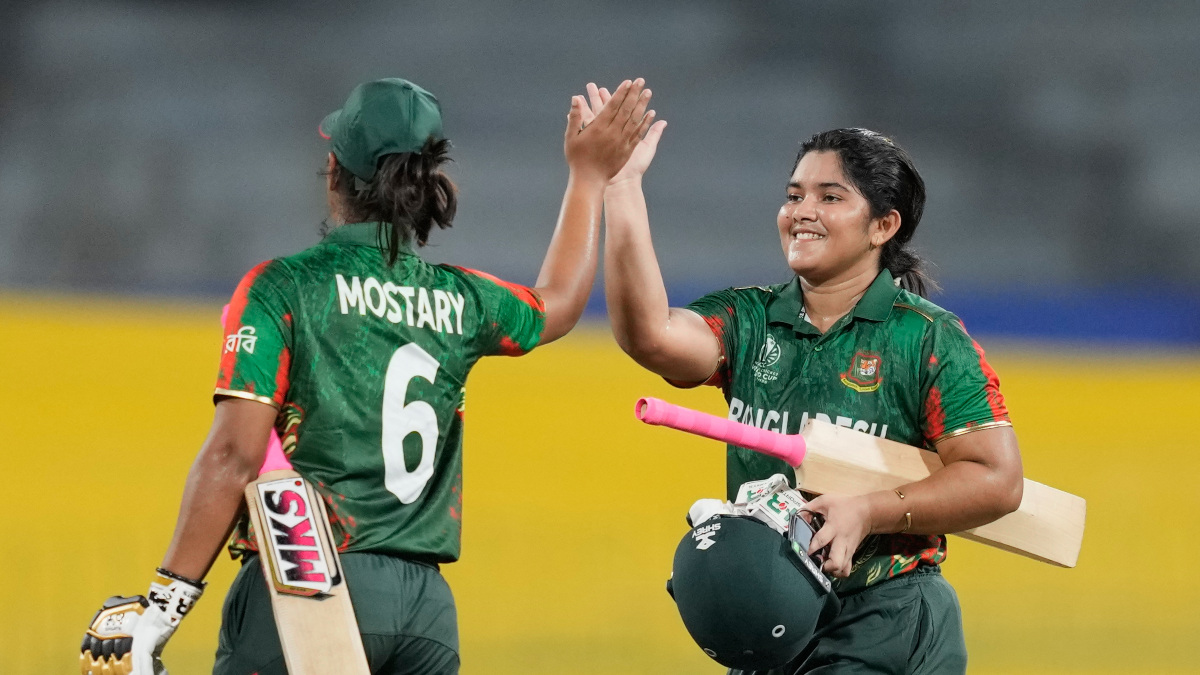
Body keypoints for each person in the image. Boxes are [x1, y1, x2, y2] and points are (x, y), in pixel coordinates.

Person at [80, 76, 656, 675]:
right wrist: (589, 177)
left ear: (333, 171)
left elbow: (235, 456)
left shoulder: (283, 288)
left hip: (307, 590)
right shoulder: (461, 300)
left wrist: (162, 609)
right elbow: (557, 303)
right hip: (425, 616)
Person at [591, 82, 1024, 674]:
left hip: (885, 618)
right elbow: (651, 336)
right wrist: (620, 189)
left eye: (830, 197)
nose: (802, 212)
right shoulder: (748, 319)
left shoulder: (926, 338)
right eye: (794, 195)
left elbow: (997, 480)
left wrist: (868, 511)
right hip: (769, 619)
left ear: (882, 226)